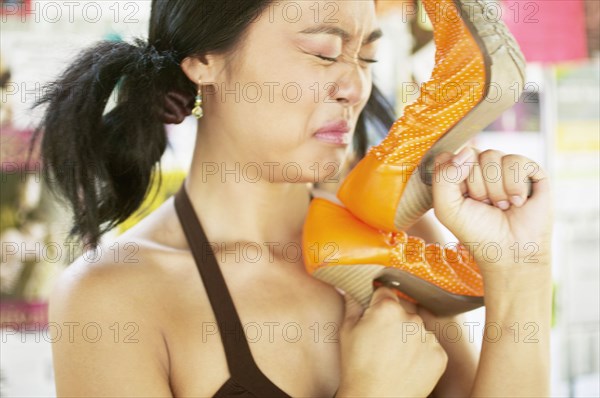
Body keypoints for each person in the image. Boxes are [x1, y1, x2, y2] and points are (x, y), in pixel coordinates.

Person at [31, 0, 554, 396]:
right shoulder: (112, 299)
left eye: (368, 55)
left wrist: (519, 269)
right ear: (204, 60)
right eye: (323, 51)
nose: (355, 84)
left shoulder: (398, 240)